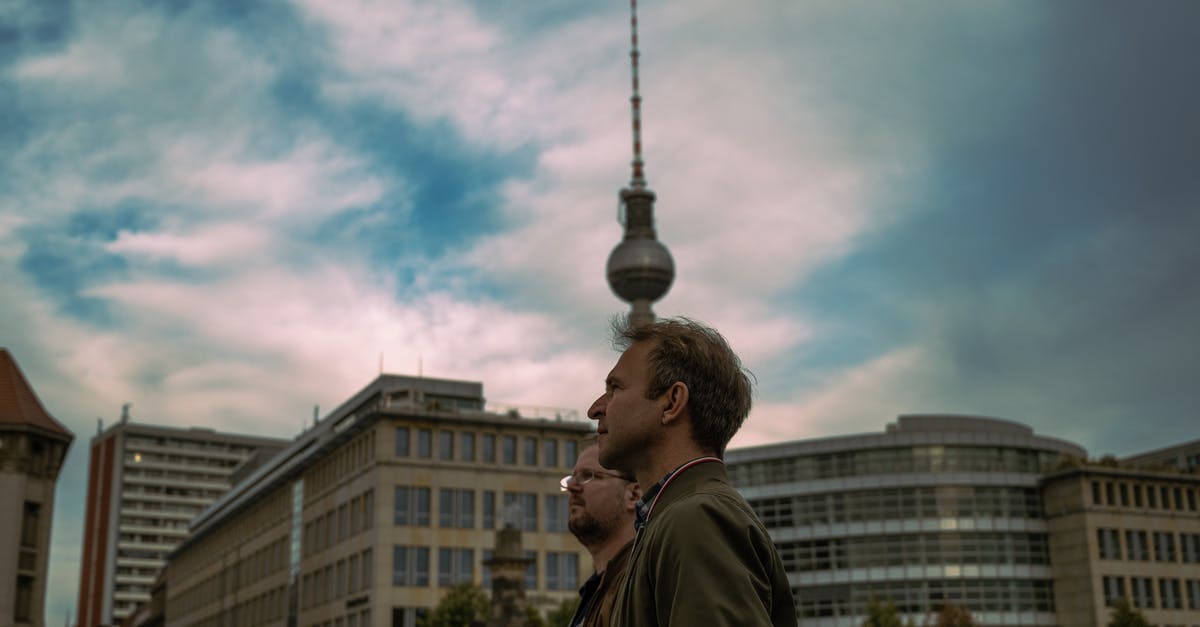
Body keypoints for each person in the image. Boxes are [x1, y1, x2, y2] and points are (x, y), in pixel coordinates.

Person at [588, 317, 797, 627]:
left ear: (672, 402)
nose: (595, 408)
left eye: (615, 388)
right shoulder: (673, 519)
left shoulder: (696, 518)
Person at [563, 441, 641, 627]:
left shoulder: (641, 584)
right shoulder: (597, 589)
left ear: (634, 495)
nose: (572, 487)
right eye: (572, 478)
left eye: (589, 476)